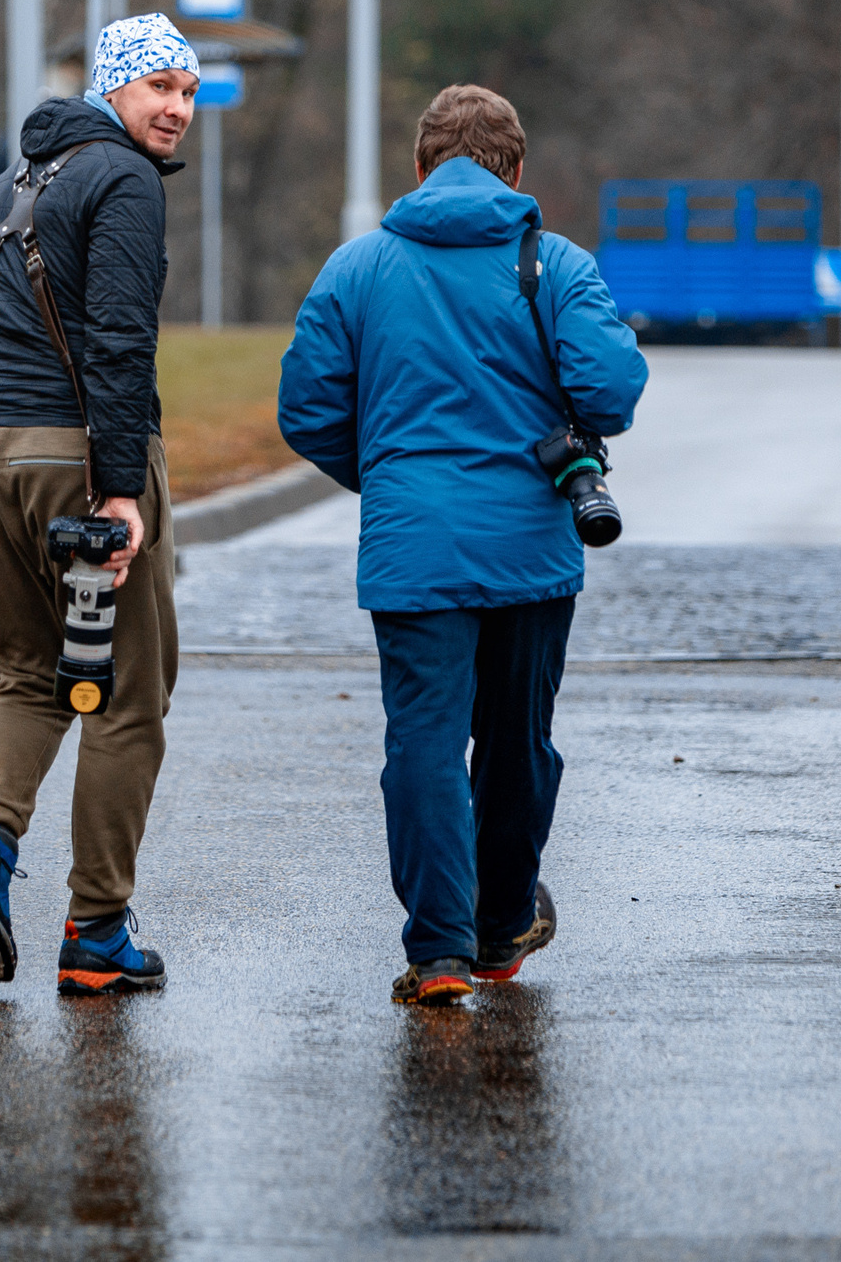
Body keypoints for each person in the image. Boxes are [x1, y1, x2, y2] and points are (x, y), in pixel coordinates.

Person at [277, 83, 648, 1006]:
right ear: (516, 170)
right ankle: (501, 926)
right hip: (532, 548)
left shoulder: (356, 267)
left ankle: (437, 953)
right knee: (518, 743)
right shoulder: (555, 264)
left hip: (413, 550)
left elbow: (306, 410)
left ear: (420, 167)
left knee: (426, 746)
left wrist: (393, 475)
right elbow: (610, 393)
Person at [0, 12, 197, 997]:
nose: (177, 108)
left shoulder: (16, 180)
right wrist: (121, 490)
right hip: (75, 459)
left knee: (31, 672)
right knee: (127, 691)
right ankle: (96, 930)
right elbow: (122, 342)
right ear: (114, 90)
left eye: (189, 92)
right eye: (159, 86)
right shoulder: (120, 180)